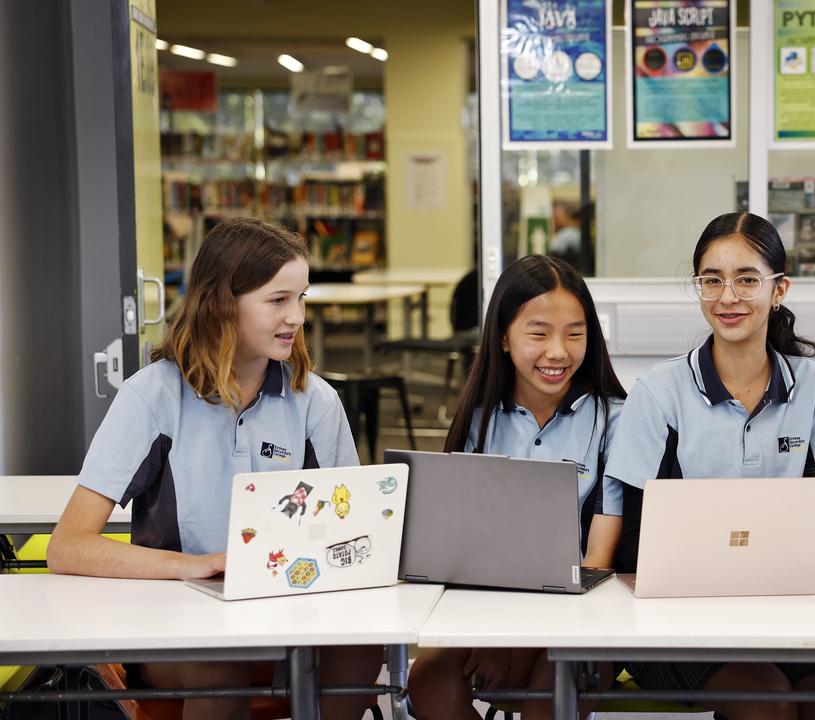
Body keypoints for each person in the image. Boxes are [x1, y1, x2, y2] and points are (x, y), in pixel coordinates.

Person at [46, 217, 381, 720]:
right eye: (278, 300)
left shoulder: (315, 400)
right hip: (176, 625)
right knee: (220, 663)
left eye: (301, 298)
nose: (297, 316)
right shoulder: (152, 396)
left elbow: (353, 532)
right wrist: (191, 566)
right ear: (223, 303)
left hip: (288, 615)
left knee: (360, 656)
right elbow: (67, 546)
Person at [607, 212, 815, 720]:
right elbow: (619, 510)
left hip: (786, 610)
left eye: (747, 279)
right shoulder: (661, 391)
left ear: (779, 289)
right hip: (675, 619)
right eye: (712, 280)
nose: (728, 297)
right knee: (766, 701)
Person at [407, 254, 626, 720]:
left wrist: (522, 645)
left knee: (554, 689)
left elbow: (596, 564)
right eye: (539, 332)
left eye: (575, 332)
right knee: (428, 682)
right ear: (503, 337)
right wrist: (490, 636)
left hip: (584, 621)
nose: (558, 351)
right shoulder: (479, 421)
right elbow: (460, 550)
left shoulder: (614, 420)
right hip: (491, 614)